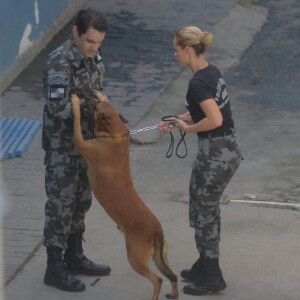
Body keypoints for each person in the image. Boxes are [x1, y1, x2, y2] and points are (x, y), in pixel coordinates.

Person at [160, 26, 242, 296]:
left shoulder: (197, 83)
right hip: (223, 150)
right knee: (200, 204)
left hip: (216, 153)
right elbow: (202, 111)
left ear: (187, 50)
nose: (174, 55)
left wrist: (186, 129)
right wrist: (179, 119)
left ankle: (212, 276)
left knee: (205, 212)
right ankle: (204, 262)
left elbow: (214, 119)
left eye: (175, 50)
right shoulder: (210, 72)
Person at [42, 8, 111, 292]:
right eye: (89, 41)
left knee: (82, 200)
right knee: (61, 205)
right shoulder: (59, 63)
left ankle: (74, 255)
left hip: (86, 145)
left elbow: (96, 90)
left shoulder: (93, 57)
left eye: (98, 43)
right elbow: (58, 108)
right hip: (63, 147)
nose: (94, 48)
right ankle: (54, 268)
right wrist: (94, 106)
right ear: (75, 32)